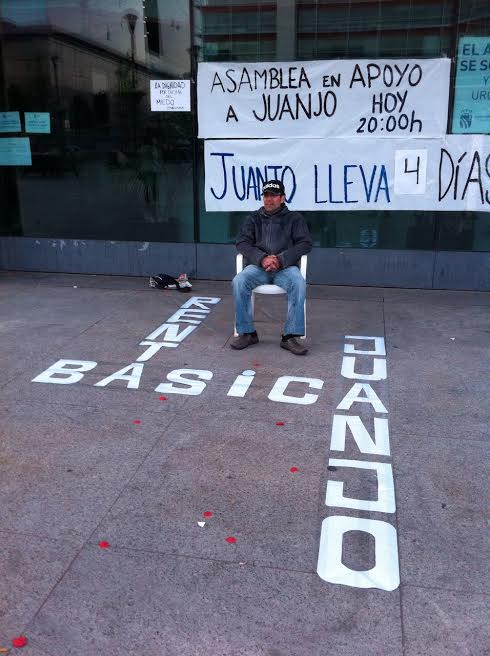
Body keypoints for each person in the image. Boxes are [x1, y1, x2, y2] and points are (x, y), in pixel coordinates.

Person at [231, 179, 312, 355]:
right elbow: (242, 243)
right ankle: (247, 333)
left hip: (285, 268)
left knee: (298, 282)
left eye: (274, 196)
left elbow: (305, 244)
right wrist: (262, 259)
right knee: (239, 281)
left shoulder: (295, 219)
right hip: (258, 267)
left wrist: (280, 259)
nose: (269, 199)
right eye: (266, 195)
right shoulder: (253, 218)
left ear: (283, 198)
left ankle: (289, 337)